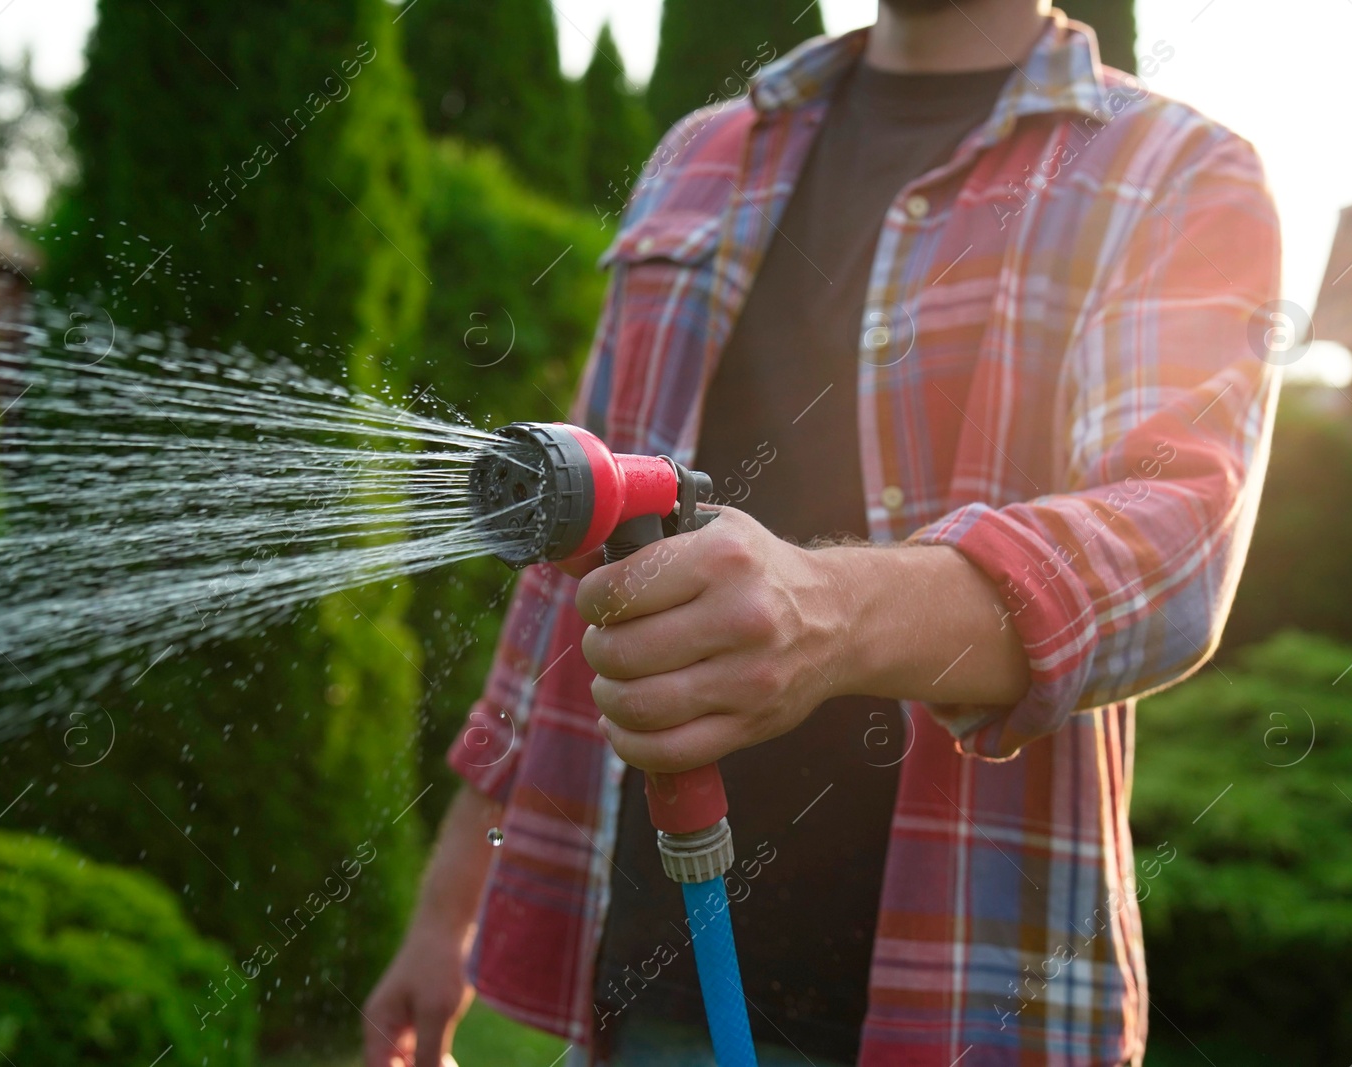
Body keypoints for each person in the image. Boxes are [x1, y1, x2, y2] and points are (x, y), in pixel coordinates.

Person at [364, 0, 1280, 1063]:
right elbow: (565, 544)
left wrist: (830, 614)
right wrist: (446, 908)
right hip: (654, 984)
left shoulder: (1171, 171)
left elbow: (1173, 540)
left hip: (963, 997)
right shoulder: (701, 155)